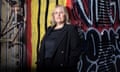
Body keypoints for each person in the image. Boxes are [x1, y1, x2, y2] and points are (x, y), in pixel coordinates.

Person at [37, 5, 83, 72]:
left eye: (61, 12)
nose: (58, 15)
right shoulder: (49, 29)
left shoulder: (70, 29)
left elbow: (76, 50)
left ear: (65, 15)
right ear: (53, 16)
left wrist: (70, 66)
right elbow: (43, 48)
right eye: (56, 13)